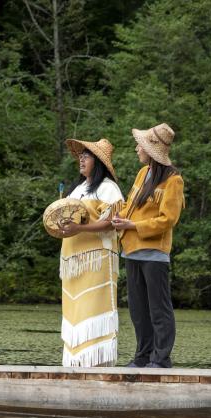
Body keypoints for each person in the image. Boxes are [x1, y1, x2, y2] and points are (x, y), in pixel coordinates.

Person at [110, 123, 185, 368]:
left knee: (158, 309)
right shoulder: (143, 174)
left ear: (151, 150)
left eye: (139, 145)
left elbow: (168, 219)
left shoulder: (173, 180)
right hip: (131, 250)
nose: (136, 149)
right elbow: (130, 206)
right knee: (138, 310)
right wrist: (115, 216)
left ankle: (161, 358)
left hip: (154, 254)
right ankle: (142, 356)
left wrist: (133, 225)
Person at [56, 138, 124, 367]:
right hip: (73, 261)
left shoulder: (108, 188)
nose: (81, 160)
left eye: (87, 156)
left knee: (94, 307)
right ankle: (76, 362)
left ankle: (97, 363)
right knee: (75, 310)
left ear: (99, 162)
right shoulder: (77, 189)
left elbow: (112, 222)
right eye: (80, 156)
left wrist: (79, 228)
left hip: (96, 259)